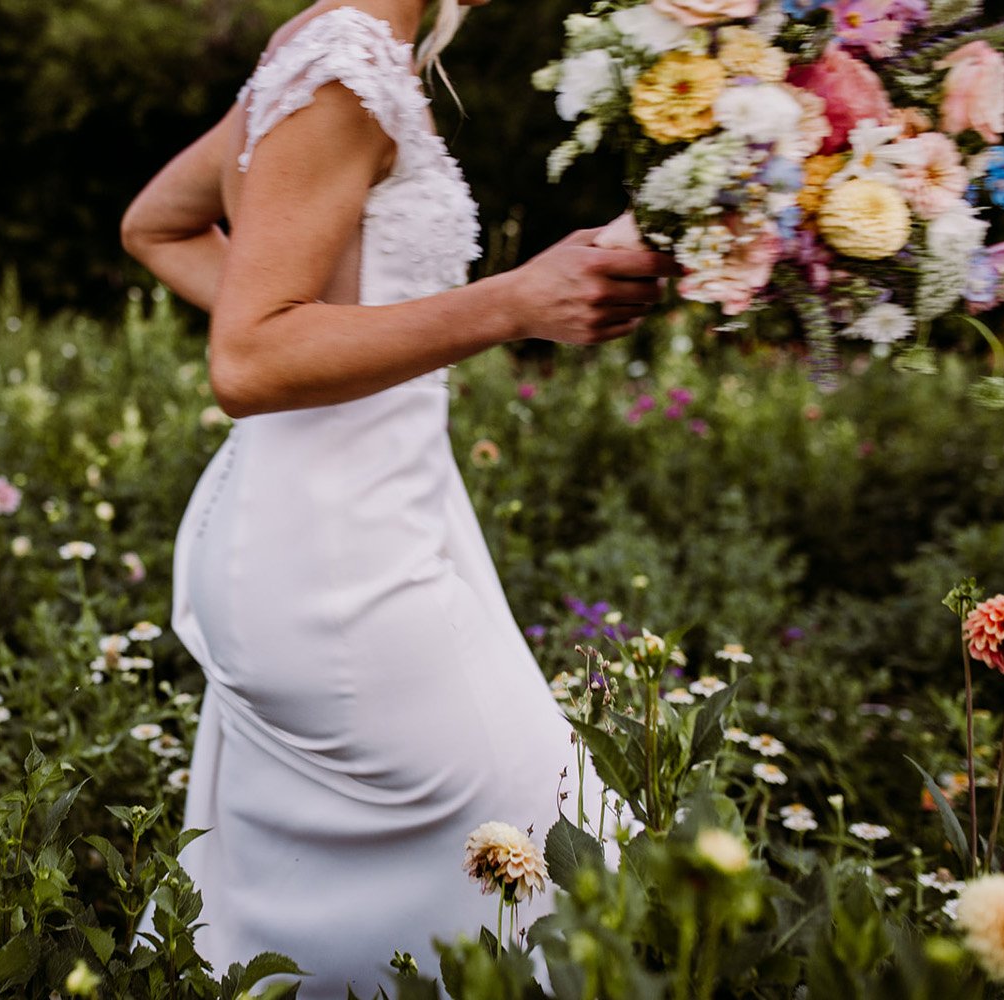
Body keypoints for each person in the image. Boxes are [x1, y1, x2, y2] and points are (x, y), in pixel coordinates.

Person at [121, 0, 677, 993]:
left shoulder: (329, 48)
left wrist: (330, 328)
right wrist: (518, 302)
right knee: (567, 865)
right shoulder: (343, 63)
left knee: (511, 871)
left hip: (351, 525)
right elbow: (248, 356)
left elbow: (156, 226)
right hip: (342, 562)